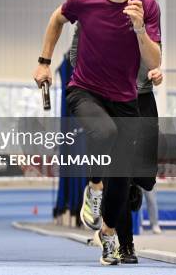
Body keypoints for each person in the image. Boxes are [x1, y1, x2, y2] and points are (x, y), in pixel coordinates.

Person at [33, 0, 161, 265]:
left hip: (126, 99)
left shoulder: (147, 6)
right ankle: (93, 186)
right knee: (105, 134)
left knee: (122, 176)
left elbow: (154, 60)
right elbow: (57, 19)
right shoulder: (84, 1)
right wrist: (45, 62)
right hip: (84, 90)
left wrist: (138, 30)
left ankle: (108, 234)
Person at [70, 24, 163, 263]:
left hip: (142, 98)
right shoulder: (92, 14)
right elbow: (74, 58)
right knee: (121, 174)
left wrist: (156, 71)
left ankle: (122, 197)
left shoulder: (145, 14)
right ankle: (125, 245)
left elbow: (155, 57)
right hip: (111, 100)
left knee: (145, 180)